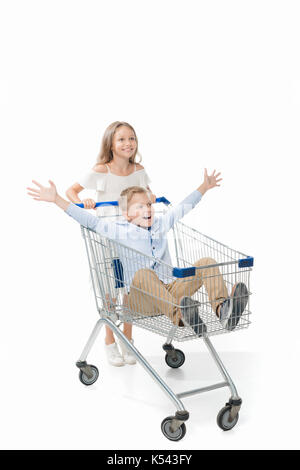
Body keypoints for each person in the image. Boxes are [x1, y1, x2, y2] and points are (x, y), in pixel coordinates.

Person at [27, 169, 249, 338]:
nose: (147, 210)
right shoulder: (118, 230)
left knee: (206, 262)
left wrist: (204, 186)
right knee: (143, 274)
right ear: (126, 214)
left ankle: (223, 310)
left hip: (170, 291)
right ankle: (181, 316)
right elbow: (87, 219)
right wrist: (56, 199)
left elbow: (183, 206)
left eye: (148, 206)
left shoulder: (161, 224)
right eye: (139, 207)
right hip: (141, 300)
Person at [66, 121, 155, 367]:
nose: (128, 144)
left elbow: (146, 193)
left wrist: (151, 198)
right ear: (111, 145)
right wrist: (83, 201)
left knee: (129, 291)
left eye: (132, 139)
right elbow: (71, 192)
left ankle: (128, 341)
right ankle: (109, 342)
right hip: (107, 239)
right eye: (122, 140)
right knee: (108, 293)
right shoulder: (101, 170)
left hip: (132, 239)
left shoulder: (139, 169)